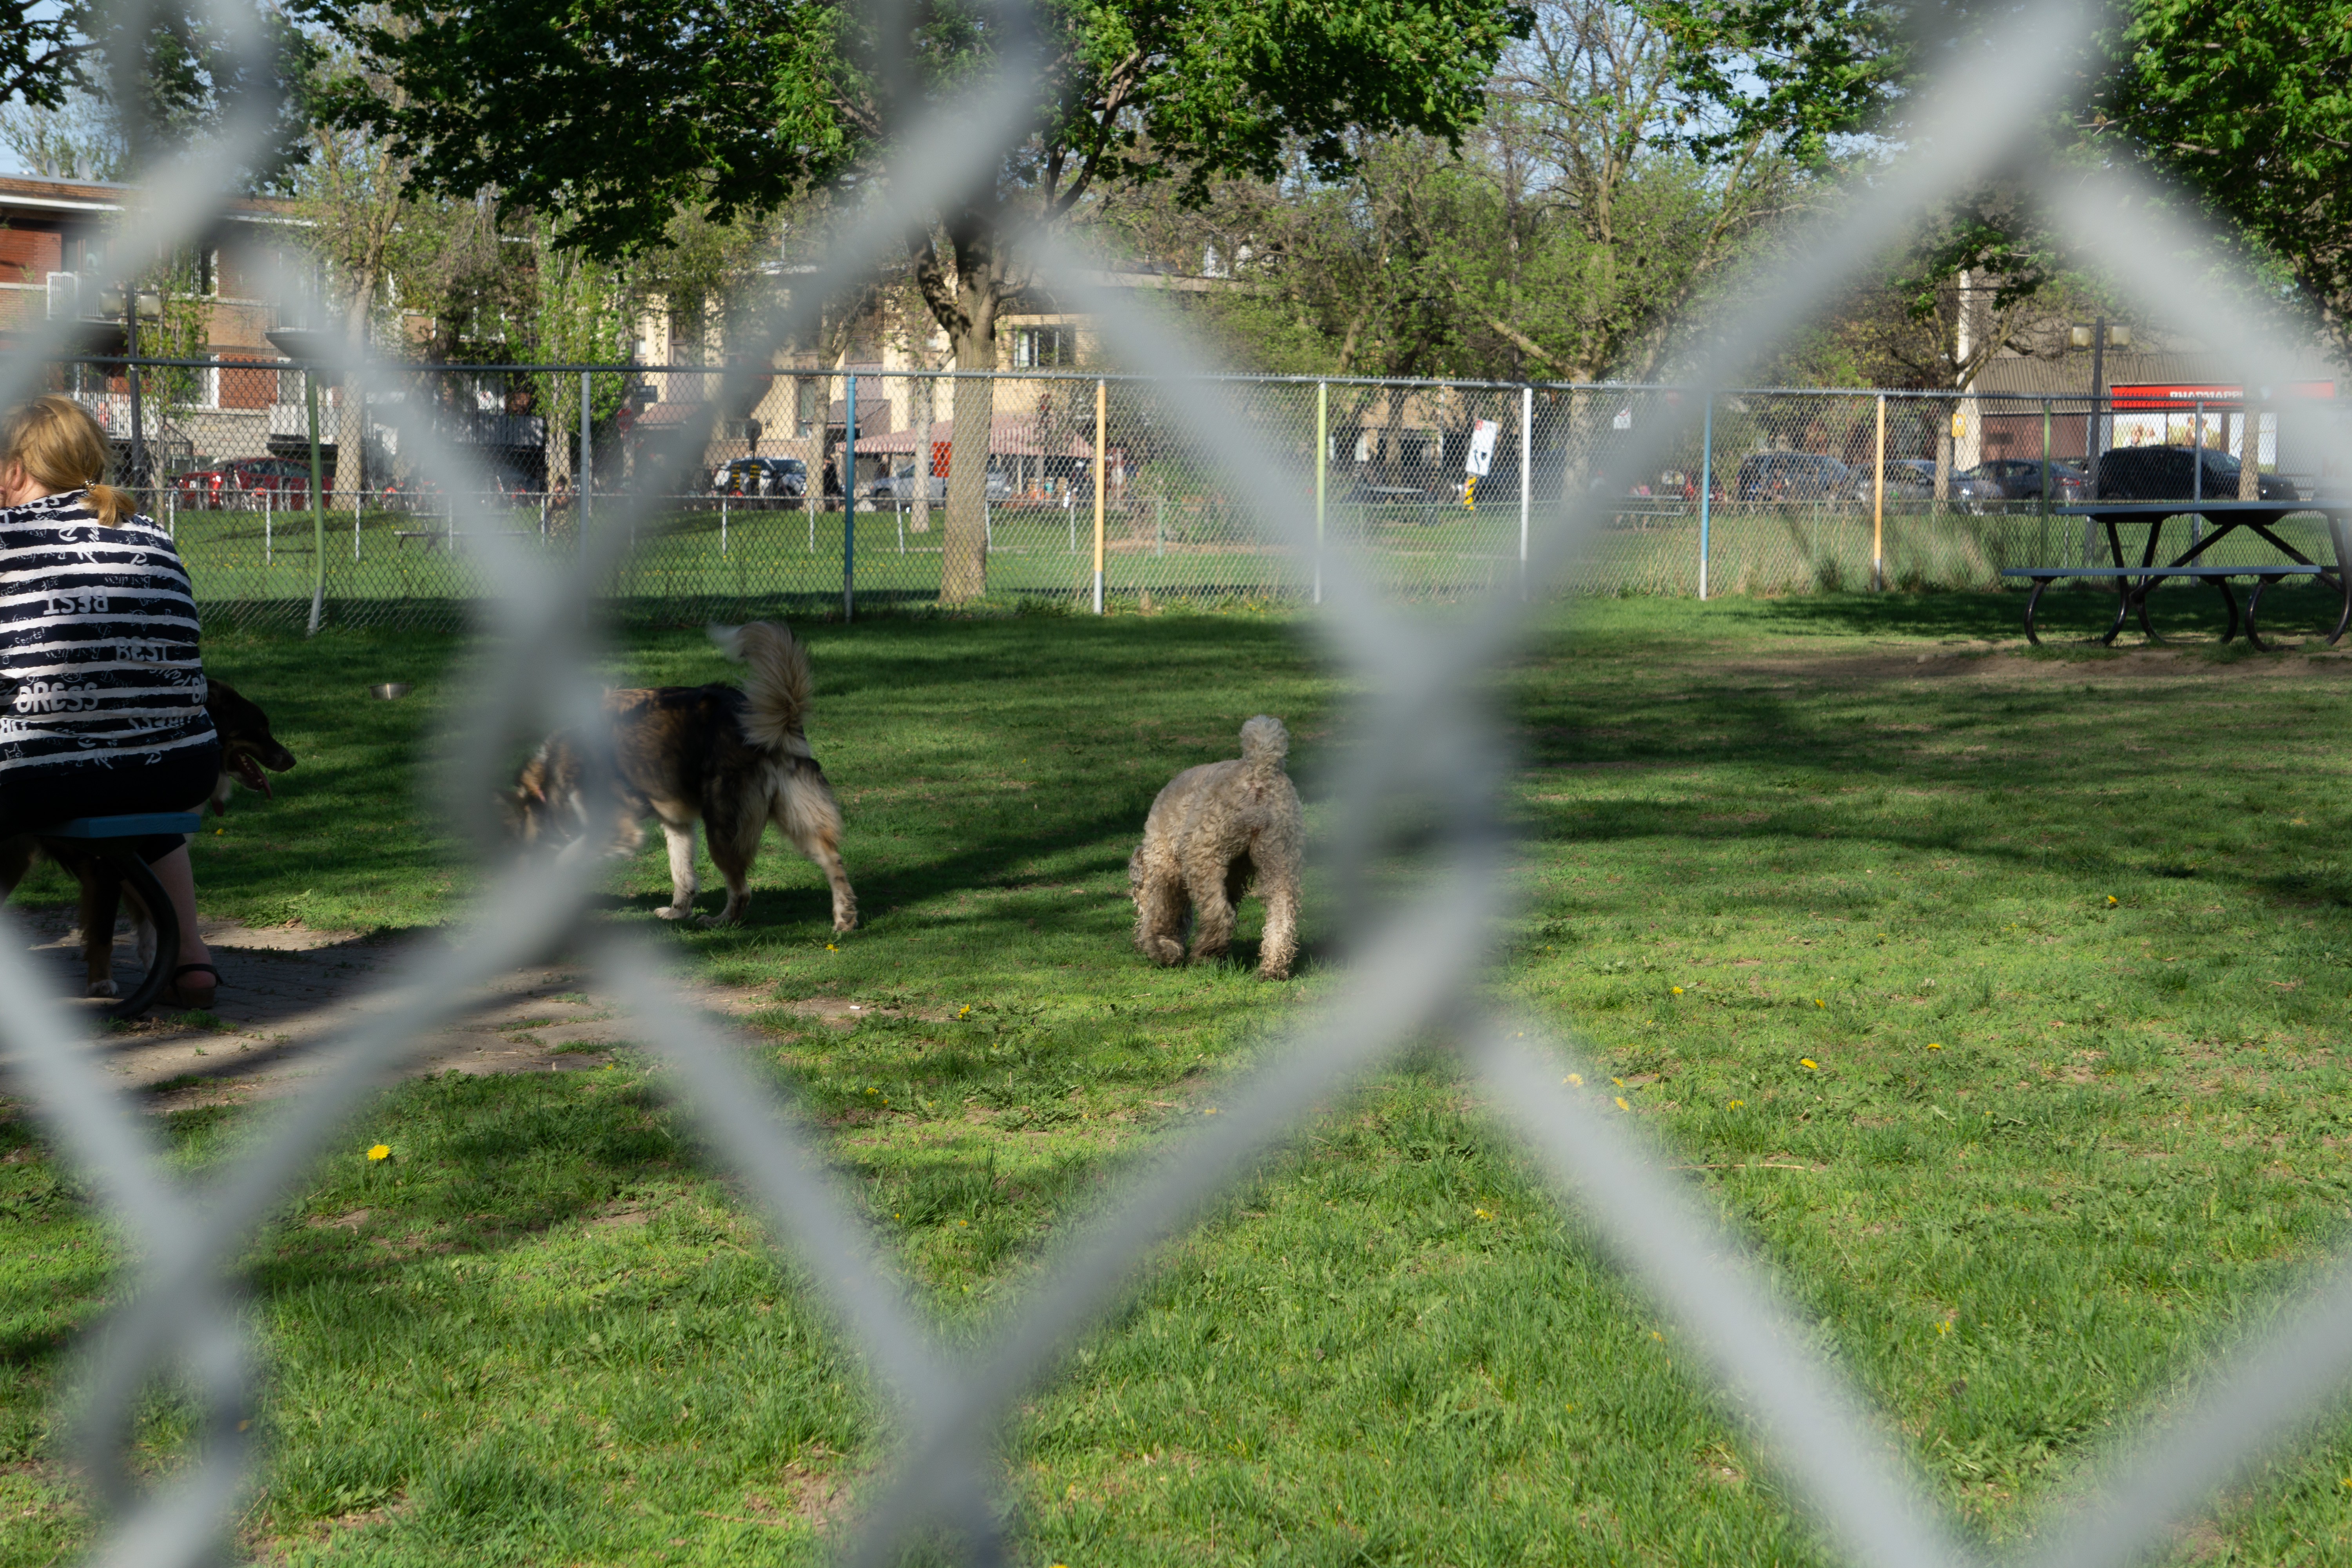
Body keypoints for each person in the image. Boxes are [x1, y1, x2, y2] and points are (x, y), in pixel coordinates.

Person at [0, 395, 221, 1007]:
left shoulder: (6, 536)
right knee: (136, 767)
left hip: (46, 773)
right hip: (179, 768)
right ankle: (192, 959)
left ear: (16, 470)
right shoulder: (151, 534)